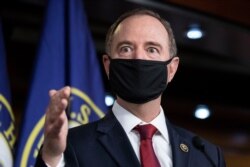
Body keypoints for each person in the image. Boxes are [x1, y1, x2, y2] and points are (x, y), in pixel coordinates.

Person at [35, 8, 226, 167]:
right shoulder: (72, 146)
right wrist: (51, 157)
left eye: (152, 49)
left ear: (172, 68)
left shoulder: (206, 156)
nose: (138, 58)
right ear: (108, 65)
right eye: (126, 48)